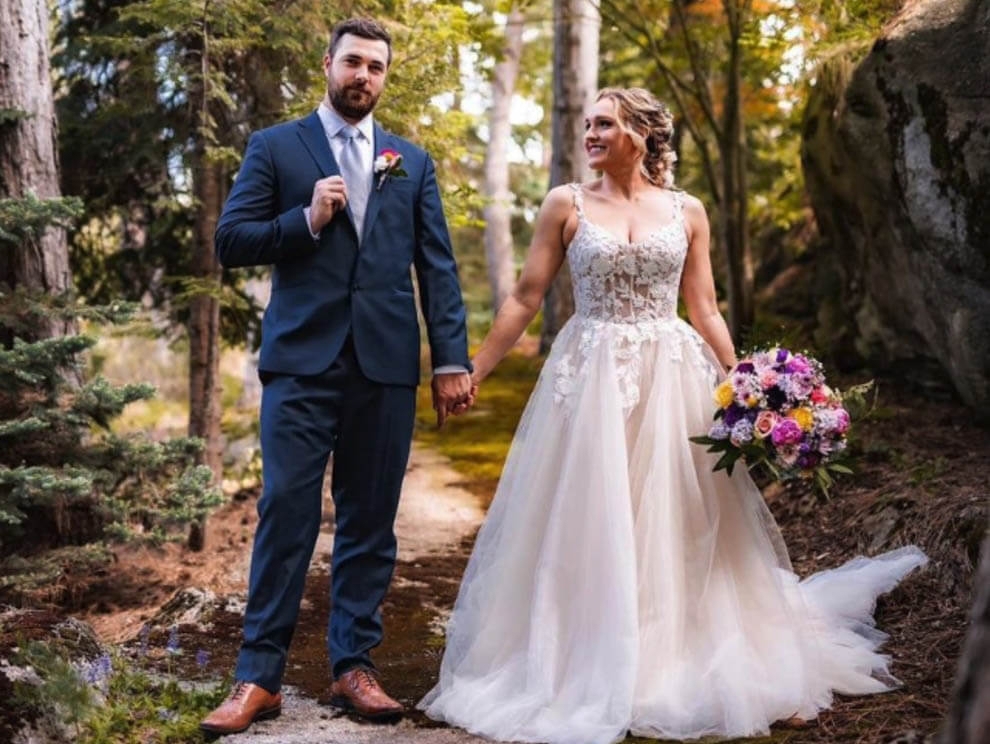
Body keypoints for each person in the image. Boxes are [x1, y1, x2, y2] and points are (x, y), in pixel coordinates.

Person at [418, 87, 927, 743]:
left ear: (638, 133)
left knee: (678, 521)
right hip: (591, 374)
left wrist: (749, 383)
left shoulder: (687, 211)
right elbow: (525, 295)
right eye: (588, 124)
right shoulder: (565, 204)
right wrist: (472, 370)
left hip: (672, 373)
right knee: (591, 519)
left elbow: (706, 306)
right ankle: (584, 656)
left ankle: (681, 656)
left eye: (604, 123)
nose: (591, 134)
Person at [200, 17, 473, 737]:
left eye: (376, 68)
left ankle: (354, 666)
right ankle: (258, 676)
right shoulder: (275, 146)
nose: (363, 76)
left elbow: (437, 268)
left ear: (384, 77)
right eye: (353, 62)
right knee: (286, 511)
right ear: (328, 64)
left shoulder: (409, 159)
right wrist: (306, 219)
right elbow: (231, 241)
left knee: (370, 521)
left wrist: (451, 360)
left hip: (384, 366)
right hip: (300, 363)